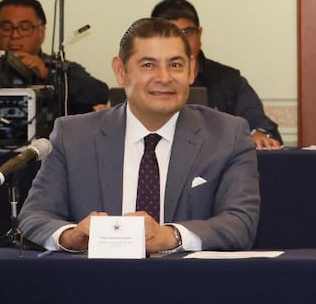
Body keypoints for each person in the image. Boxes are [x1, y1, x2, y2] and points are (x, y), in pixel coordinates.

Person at [19, 17, 260, 253]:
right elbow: (33, 216)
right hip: (94, 283)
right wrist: (70, 236)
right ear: (120, 70)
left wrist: (172, 236)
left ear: (191, 70)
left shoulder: (228, 135)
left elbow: (240, 224)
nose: (164, 78)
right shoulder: (73, 136)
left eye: (175, 65)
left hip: (190, 284)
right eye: (148, 65)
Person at [150, 0, 282, 149]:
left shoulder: (229, 82)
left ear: (199, 34)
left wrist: (257, 135)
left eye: (187, 32)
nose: (181, 41)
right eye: (170, 34)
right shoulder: (145, 81)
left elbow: (264, 128)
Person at [0, 0, 109, 115]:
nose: (15, 36)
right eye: (6, 28)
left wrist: (49, 76)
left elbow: (100, 95)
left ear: (41, 33)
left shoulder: (59, 69)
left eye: (25, 28)